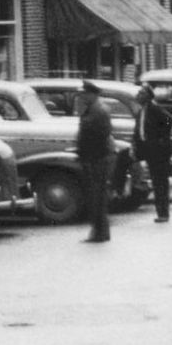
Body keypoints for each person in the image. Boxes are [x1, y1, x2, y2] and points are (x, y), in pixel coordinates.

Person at [75, 81, 114, 243]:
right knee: (97, 196)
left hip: (95, 159)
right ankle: (100, 231)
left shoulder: (97, 111)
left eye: (84, 94)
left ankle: (99, 232)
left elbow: (97, 136)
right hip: (95, 158)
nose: (82, 96)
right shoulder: (95, 109)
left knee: (96, 196)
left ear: (92, 94)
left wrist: (88, 156)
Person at [133, 84, 172, 223]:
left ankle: (163, 213)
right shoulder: (142, 111)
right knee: (156, 181)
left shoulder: (155, 109)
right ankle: (161, 212)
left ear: (148, 96)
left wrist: (161, 138)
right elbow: (139, 131)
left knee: (160, 183)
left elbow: (170, 120)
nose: (138, 95)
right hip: (150, 151)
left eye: (141, 93)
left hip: (159, 152)